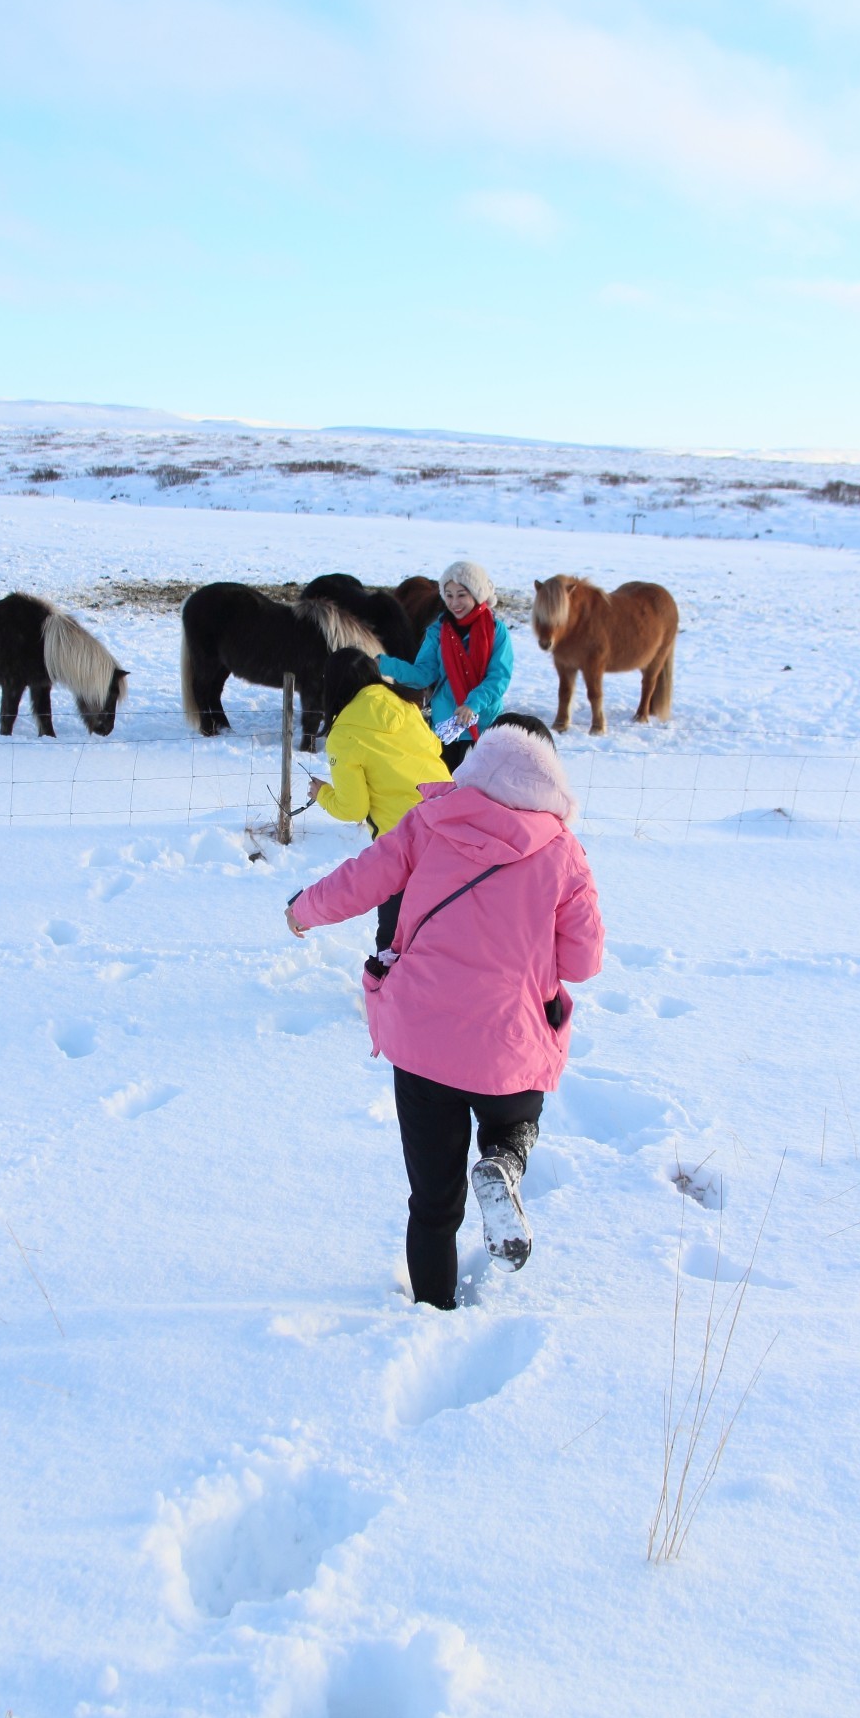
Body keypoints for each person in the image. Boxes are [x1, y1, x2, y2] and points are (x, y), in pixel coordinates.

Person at [285, 713, 604, 1310]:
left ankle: (432, 1314)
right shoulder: (563, 852)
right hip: (507, 1045)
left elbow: (362, 879)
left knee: (432, 1205)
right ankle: (505, 1160)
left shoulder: (431, 819)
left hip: (423, 1042)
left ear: (481, 759)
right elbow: (583, 961)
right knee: (514, 1117)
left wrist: (304, 909)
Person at [305, 647, 451, 952]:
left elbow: (352, 807)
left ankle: (386, 987)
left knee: (394, 934)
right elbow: (435, 749)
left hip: (404, 842)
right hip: (450, 821)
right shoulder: (406, 704)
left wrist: (322, 794)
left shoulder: (343, 733)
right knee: (444, 922)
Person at [376, 560, 513, 772]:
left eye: (461, 595)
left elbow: (498, 678)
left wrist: (472, 705)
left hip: (483, 724)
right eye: (448, 595)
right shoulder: (437, 632)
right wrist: (384, 665)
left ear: (476, 594)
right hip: (446, 726)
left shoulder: (496, 630)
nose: (454, 602)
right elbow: (423, 674)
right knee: (445, 791)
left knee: (476, 794)